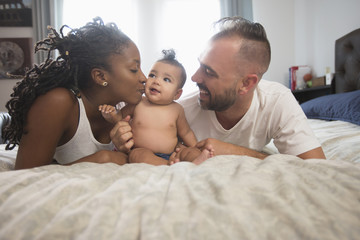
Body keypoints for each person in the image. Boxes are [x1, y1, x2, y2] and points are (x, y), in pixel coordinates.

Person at [111, 16, 326, 163]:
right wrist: (123, 140)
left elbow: (315, 167)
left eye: (209, 71)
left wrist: (237, 152)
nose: (194, 77)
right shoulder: (182, 108)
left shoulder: (276, 101)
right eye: (199, 64)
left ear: (246, 84)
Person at [3, 17, 147, 169]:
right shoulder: (58, 102)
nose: (144, 78)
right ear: (100, 76)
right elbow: (25, 174)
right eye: (134, 69)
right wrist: (101, 159)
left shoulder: (130, 106)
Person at [99, 50, 214, 165]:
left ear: (177, 94)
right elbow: (120, 118)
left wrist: (195, 148)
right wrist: (112, 114)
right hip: (142, 151)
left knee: (189, 152)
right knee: (136, 156)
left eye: (166, 79)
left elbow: (186, 133)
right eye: (152, 75)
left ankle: (200, 161)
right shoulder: (139, 102)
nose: (156, 81)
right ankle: (167, 166)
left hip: (172, 154)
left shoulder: (177, 109)